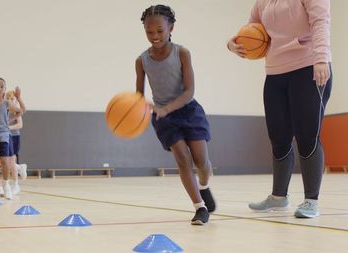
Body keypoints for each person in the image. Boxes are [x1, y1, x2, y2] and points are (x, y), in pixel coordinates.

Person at [227, 0, 332, 218]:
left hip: (309, 67)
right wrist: (235, 42)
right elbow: (253, 29)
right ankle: (278, 197)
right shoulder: (263, 2)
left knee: (307, 135)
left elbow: (321, 21)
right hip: (275, 73)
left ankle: (311, 200)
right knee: (279, 135)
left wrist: (321, 59)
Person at [136, 5, 216, 225]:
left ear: (171, 27)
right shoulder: (141, 60)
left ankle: (205, 185)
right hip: (164, 117)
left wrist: (167, 108)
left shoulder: (182, 53)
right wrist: (137, 109)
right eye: (149, 32)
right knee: (182, 159)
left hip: (188, 110)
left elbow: (189, 91)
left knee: (202, 162)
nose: (155, 36)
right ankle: (200, 207)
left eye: (160, 31)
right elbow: (138, 95)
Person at [0, 78, 26, 199]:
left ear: (4, 89)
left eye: (2, 87)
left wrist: (18, 98)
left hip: (4, 134)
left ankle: (6, 185)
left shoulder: (6, 103)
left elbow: (22, 110)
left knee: (5, 160)